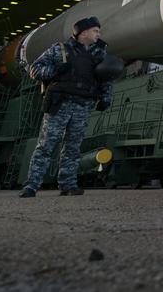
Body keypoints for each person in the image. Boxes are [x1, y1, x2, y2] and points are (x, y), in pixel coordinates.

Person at [18, 16, 112, 198]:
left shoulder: (99, 53)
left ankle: (68, 185)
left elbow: (106, 78)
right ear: (83, 32)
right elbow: (35, 69)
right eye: (95, 31)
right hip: (60, 104)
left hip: (83, 105)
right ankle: (31, 186)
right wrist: (53, 71)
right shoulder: (59, 49)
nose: (98, 34)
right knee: (46, 145)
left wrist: (106, 98)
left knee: (73, 148)